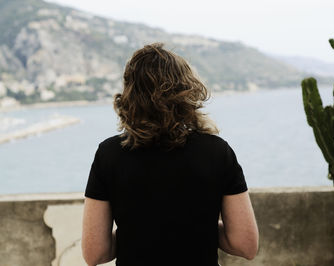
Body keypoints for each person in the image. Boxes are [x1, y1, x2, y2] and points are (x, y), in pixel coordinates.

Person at [81, 43, 259, 266]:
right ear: (186, 91)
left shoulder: (108, 154)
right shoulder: (217, 151)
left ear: (130, 94)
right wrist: (195, 224)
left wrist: (139, 229)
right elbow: (245, 244)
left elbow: (94, 253)